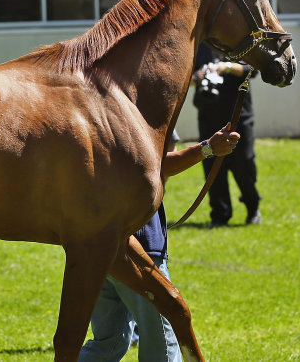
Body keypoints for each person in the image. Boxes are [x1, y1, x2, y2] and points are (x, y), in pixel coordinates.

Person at [79, 127, 240, 362]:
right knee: (163, 339)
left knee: (110, 341)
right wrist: (207, 148)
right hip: (137, 245)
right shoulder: (125, 111)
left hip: (93, 245)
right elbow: (154, 167)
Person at [192, 42, 261, 227]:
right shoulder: (200, 44)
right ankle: (220, 215)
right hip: (208, 114)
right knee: (212, 167)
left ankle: (252, 207)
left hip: (238, 115)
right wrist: (199, 76)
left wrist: (227, 67)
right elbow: (186, 77)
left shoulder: (237, 40)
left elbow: (252, 70)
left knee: (244, 163)